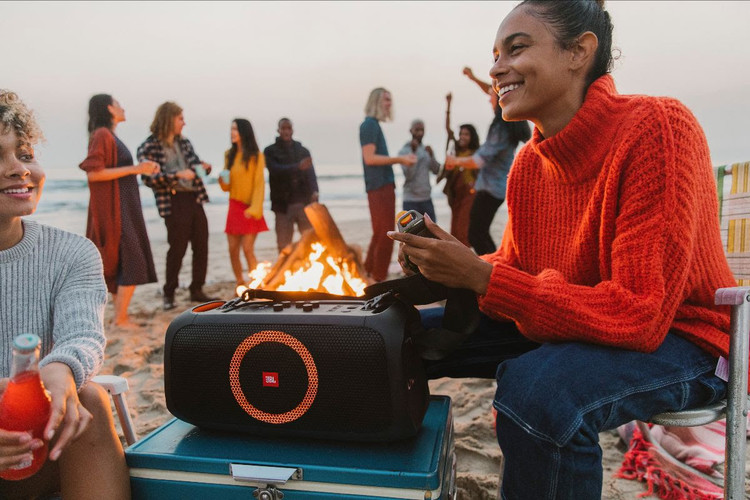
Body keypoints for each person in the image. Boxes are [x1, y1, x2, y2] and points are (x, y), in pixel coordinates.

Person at [388, 1, 735, 498]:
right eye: (494, 55)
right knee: (393, 337)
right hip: (576, 322)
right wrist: (449, 267)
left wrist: (481, 277)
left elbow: (639, 315)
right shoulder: (529, 163)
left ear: (578, 52)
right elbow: (516, 270)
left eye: (516, 48)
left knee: (539, 391)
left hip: (684, 338)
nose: (496, 68)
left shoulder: (657, 128)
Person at [0, 90, 130, 499]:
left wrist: (61, 369)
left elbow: (82, 333)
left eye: (25, 153)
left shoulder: (71, 253)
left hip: (41, 447)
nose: (19, 169)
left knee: (87, 396)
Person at [79, 94, 159, 328]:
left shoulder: (108, 135)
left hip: (123, 206)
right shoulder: (102, 134)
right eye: (118, 104)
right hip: (116, 209)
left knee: (124, 259)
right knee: (132, 259)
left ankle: (120, 315)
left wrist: (139, 169)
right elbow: (94, 173)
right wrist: (136, 168)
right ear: (109, 109)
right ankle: (120, 318)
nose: (123, 108)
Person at [137, 102, 216, 310]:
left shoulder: (185, 143)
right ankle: (169, 292)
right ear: (168, 119)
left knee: (201, 244)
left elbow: (195, 166)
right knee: (178, 248)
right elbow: (148, 178)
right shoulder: (149, 146)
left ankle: (196, 289)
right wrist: (177, 175)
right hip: (173, 200)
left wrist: (204, 168)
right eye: (180, 118)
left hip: (194, 197)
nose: (184, 123)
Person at [445, 68, 531, 255]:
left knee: (476, 234)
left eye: (492, 95)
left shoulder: (501, 127)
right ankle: (493, 265)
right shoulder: (505, 124)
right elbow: (492, 90)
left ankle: (493, 268)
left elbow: (478, 161)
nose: (489, 98)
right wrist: (473, 78)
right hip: (493, 188)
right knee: (478, 233)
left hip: (491, 189)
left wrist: (455, 160)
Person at [359, 87, 416, 282]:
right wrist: (400, 159)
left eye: (390, 100)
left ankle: (367, 272)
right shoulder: (369, 125)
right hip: (379, 185)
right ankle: (378, 277)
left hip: (380, 184)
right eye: (386, 99)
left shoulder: (373, 125)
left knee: (379, 232)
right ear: (376, 101)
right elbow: (370, 158)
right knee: (385, 234)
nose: (389, 104)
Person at [218, 119, 269, 288]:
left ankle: (256, 283)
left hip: (250, 207)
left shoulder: (256, 156)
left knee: (247, 248)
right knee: (233, 249)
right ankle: (240, 282)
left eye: (235, 129)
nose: (232, 132)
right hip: (234, 205)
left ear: (244, 132)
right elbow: (227, 187)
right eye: (231, 129)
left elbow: (259, 184)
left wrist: (254, 209)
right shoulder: (229, 155)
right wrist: (222, 181)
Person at [264, 117, 318, 253]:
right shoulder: (270, 151)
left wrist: (315, 191)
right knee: (284, 245)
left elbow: (311, 173)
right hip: (282, 205)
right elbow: (275, 170)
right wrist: (297, 167)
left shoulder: (302, 151)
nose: (286, 131)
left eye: (289, 128)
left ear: (292, 130)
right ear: (278, 130)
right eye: (283, 128)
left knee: (310, 241)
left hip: (303, 202)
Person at [440, 92, 481, 246]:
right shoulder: (455, 150)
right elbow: (448, 129)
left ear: (472, 136)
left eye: (466, 134)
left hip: (469, 193)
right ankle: (457, 255)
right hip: (455, 194)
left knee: (463, 228)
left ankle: (464, 255)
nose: (462, 136)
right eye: (461, 134)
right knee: (455, 229)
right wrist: (448, 105)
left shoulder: (475, 152)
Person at [398, 119, 440, 222]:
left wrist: (432, 156)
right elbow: (408, 175)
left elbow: (436, 170)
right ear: (411, 131)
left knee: (432, 230)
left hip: (426, 198)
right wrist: (414, 152)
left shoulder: (426, 150)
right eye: (417, 130)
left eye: (422, 130)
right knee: (411, 231)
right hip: (410, 200)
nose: (420, 133)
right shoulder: (404, 151)